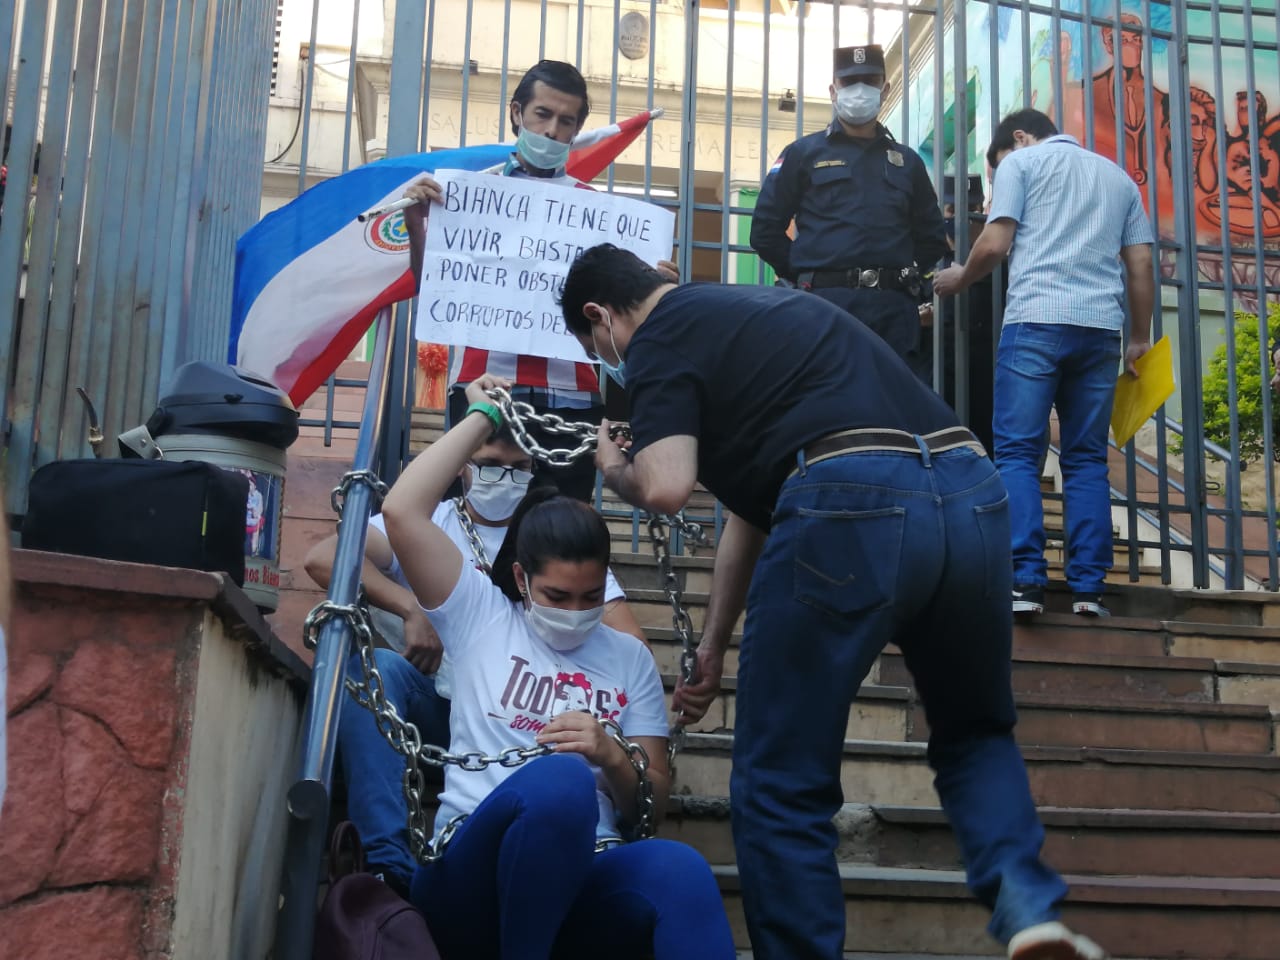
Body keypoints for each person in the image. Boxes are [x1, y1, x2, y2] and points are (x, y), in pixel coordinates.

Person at [558, 242, 1107, 960]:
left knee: (781, 776)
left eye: (594, 345)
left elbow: (665, 485)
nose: (608, 359)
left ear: (599, 315)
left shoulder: (659, 331)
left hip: (850, 495)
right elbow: (753, 512)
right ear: (657, 274)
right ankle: (1031, 913)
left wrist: (616, 470)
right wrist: (716, 641)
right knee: (975, 733)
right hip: (971, 490)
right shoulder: (760, 312)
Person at [378, 374, 736, 959]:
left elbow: (653, 807)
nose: (576, 612)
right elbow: (401, 509)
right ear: (521, 579)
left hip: (586, 878)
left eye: (591, 597)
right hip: (470, 874)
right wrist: (485, 417)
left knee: (679, 866)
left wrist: (612, 754)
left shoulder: (627, 660)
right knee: (560, 781)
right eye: (556, 597)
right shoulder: (481, 616)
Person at [304, 424, 645, 894]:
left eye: (518, 467)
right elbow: (327, 559)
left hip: (521, 722)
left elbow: (629, 647)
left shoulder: (556, 542)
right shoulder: (435, 525)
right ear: (463, 463)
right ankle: (387, 863)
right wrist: (410, 608)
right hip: (432, 701)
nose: (504, 476)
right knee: (375, 671)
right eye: (489, 464)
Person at [400, 59, 674, 502]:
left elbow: (624, 315)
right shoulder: (467, 194)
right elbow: (432, 287)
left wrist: (656, 288)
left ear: (577, 128)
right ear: (517, 114)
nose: (551, 131)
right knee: (472, 525)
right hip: (481, 387)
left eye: (566, 121)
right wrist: (417, 226)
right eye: (542, 114)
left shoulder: (597, 211)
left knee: (560, 528)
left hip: (573, 396)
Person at [934, 108, 1154, 619]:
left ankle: (1025, 580)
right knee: (1084, 459)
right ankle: (1088, 587)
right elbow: (1140, 264)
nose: (995, 177)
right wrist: (1139, 339)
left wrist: (959, 278)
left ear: (1019, 136)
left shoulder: (1022, 164)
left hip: (1035, 320)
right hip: (1100, 331)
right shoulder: (1118, 179)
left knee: (1015, 453)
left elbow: (994, 243)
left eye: (995, 166)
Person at [749, 44, 947, 379]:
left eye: (869, 80)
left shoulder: (907, 162)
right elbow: (764, 231)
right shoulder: (803, 153)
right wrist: (806, 272)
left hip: (893, 310)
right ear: (832, 90)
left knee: (893, 412)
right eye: (849, 81)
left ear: (884, 89)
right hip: (824, 304)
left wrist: (900, 275)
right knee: (825, 405)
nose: (859, 90)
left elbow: (931, 238)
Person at [937, 173, 1000, 455]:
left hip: (989, 373)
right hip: (940, 373)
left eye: (973, 211)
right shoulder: (928, 256)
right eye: (953, 211)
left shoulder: (998, 262)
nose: (964, 219)